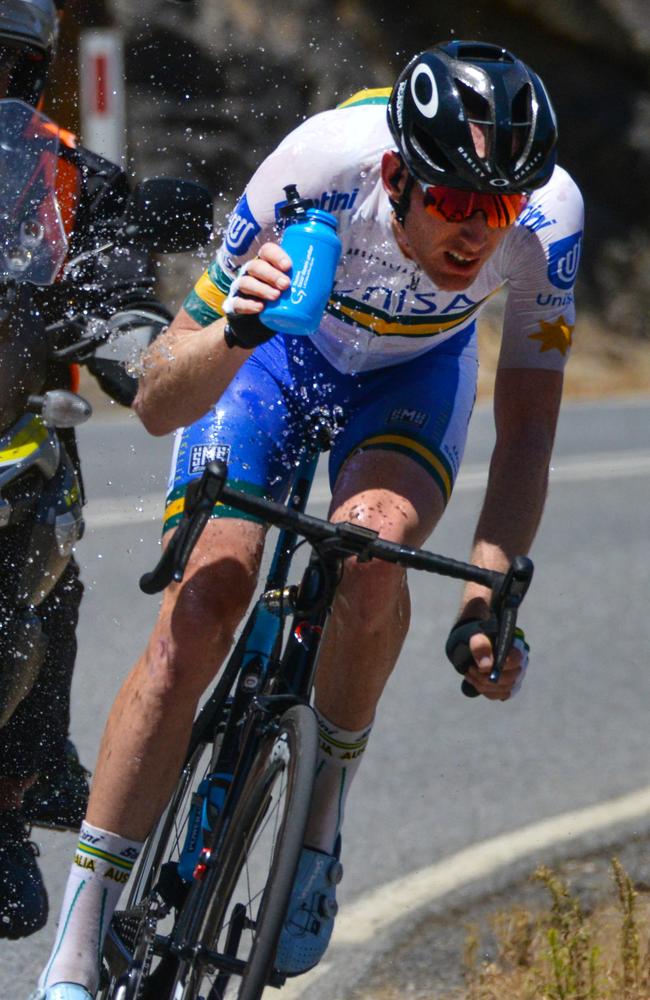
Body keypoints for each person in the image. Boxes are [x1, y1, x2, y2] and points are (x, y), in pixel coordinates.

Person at [32, 39, 583, 999]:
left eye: (494, 212)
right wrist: (237, 329)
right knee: (204, 608)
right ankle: (76, 947)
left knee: (374, 549)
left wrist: (492, 588)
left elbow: (529, 422)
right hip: (275, 364)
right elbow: (161, 398)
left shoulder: (550, 221)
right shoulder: (318, 165)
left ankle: (318, 819)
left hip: (414, 377)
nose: (474, 234)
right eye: (452, 202)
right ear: (394, 174)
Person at [0, 0, 167, 941]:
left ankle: (15, 780)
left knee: (44, 555)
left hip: (14, 441)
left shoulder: (63, 172)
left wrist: (139, 349)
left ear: (20, 74)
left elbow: (117, 289)